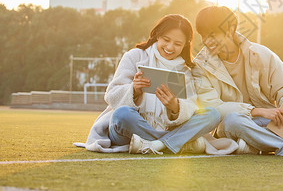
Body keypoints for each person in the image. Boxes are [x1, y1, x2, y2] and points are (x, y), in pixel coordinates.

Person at [192, 6, 283, 157]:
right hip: (235, 125)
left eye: (212, 35)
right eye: (203, 36)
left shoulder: (260, 54)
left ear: (230, 30)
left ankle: (256, 145)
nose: (206, 41)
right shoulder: (200, 65)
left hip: (270, 123)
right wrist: (255, 111)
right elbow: (212, 107)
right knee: (233, 120)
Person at [75, 14, 221, 154]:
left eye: (177, 44)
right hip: (128, 131)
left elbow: (190, 106)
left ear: (184, 45)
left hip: (167, 127)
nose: (170, 48)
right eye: (166, 39)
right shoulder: (135, 56)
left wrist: (175, 107)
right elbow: (112, 95)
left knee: (212, 115)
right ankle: (176, 142)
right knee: (121, 114)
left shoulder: (185, 70)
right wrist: (134, 90)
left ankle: (158, 145)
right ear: (157, 35)